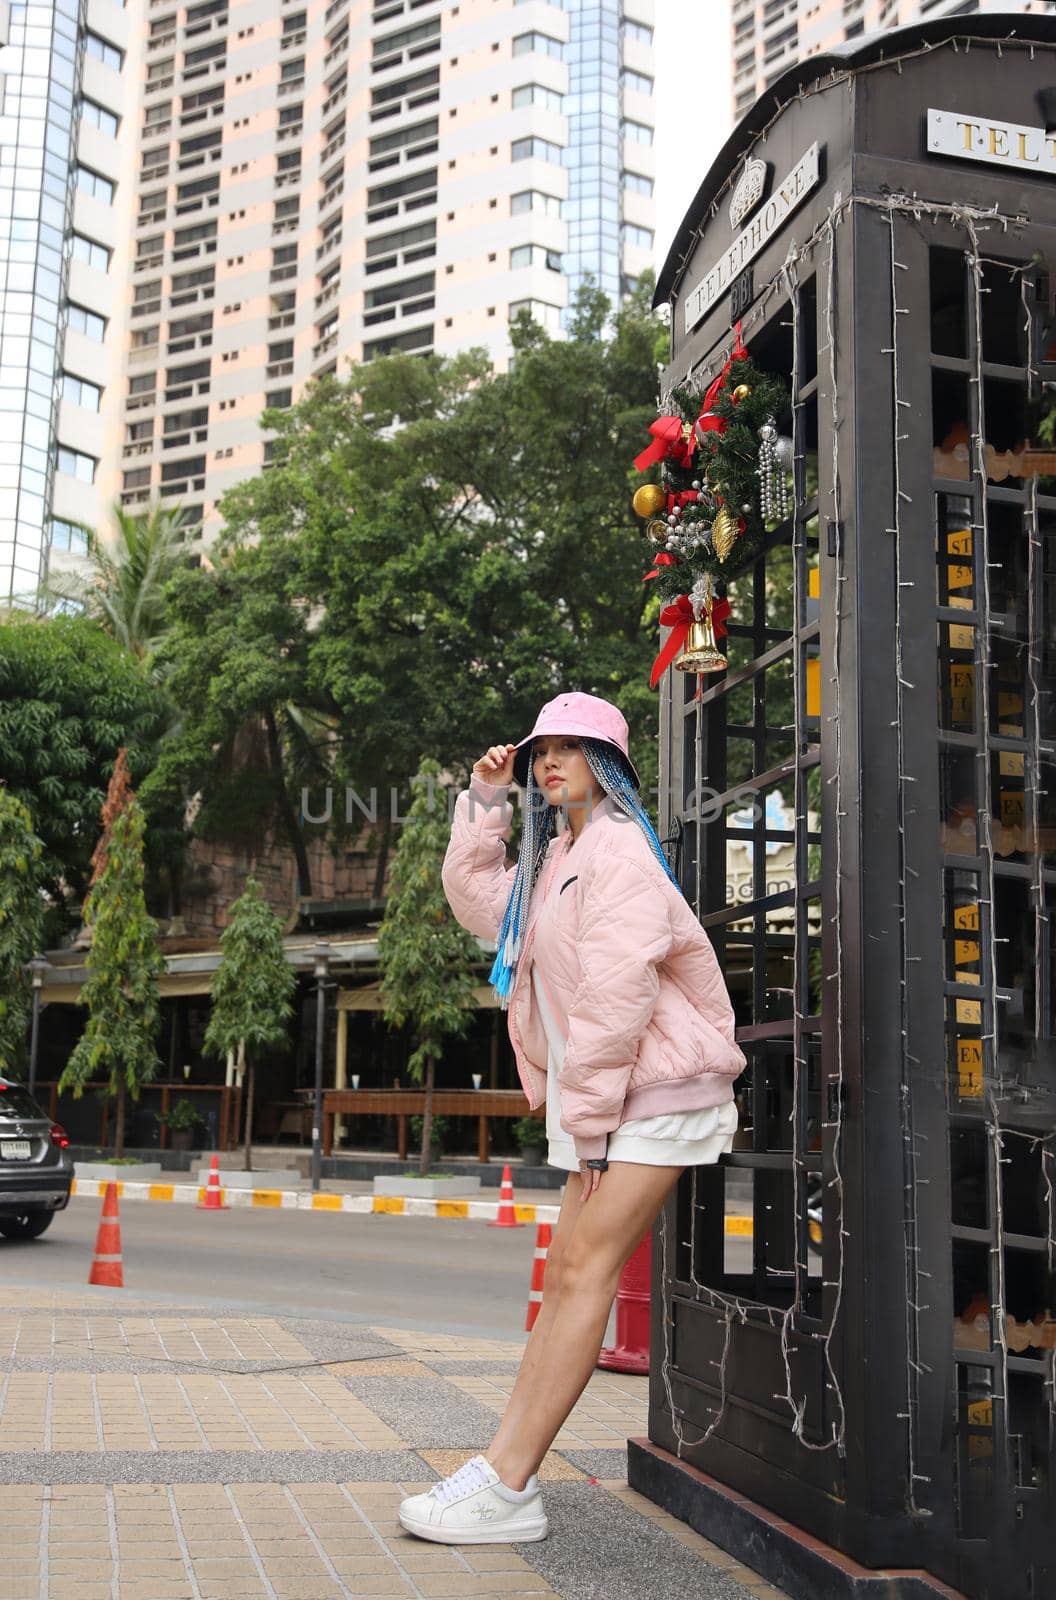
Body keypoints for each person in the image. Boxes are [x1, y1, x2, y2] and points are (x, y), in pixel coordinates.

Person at [397, 691, 746, 1546]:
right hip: (608, 1098)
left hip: (652, 1095)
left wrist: (586, 1126)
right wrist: (484, 807)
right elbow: (479, 901)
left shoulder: (621, 852)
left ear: (610, 763)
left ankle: (509, 1484)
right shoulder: (558, 857)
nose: (550, 761)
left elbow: (615, 1001)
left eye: (570, 747)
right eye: (540, 749)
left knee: (585, 1272)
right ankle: (500, 1473)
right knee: (566, 1277)